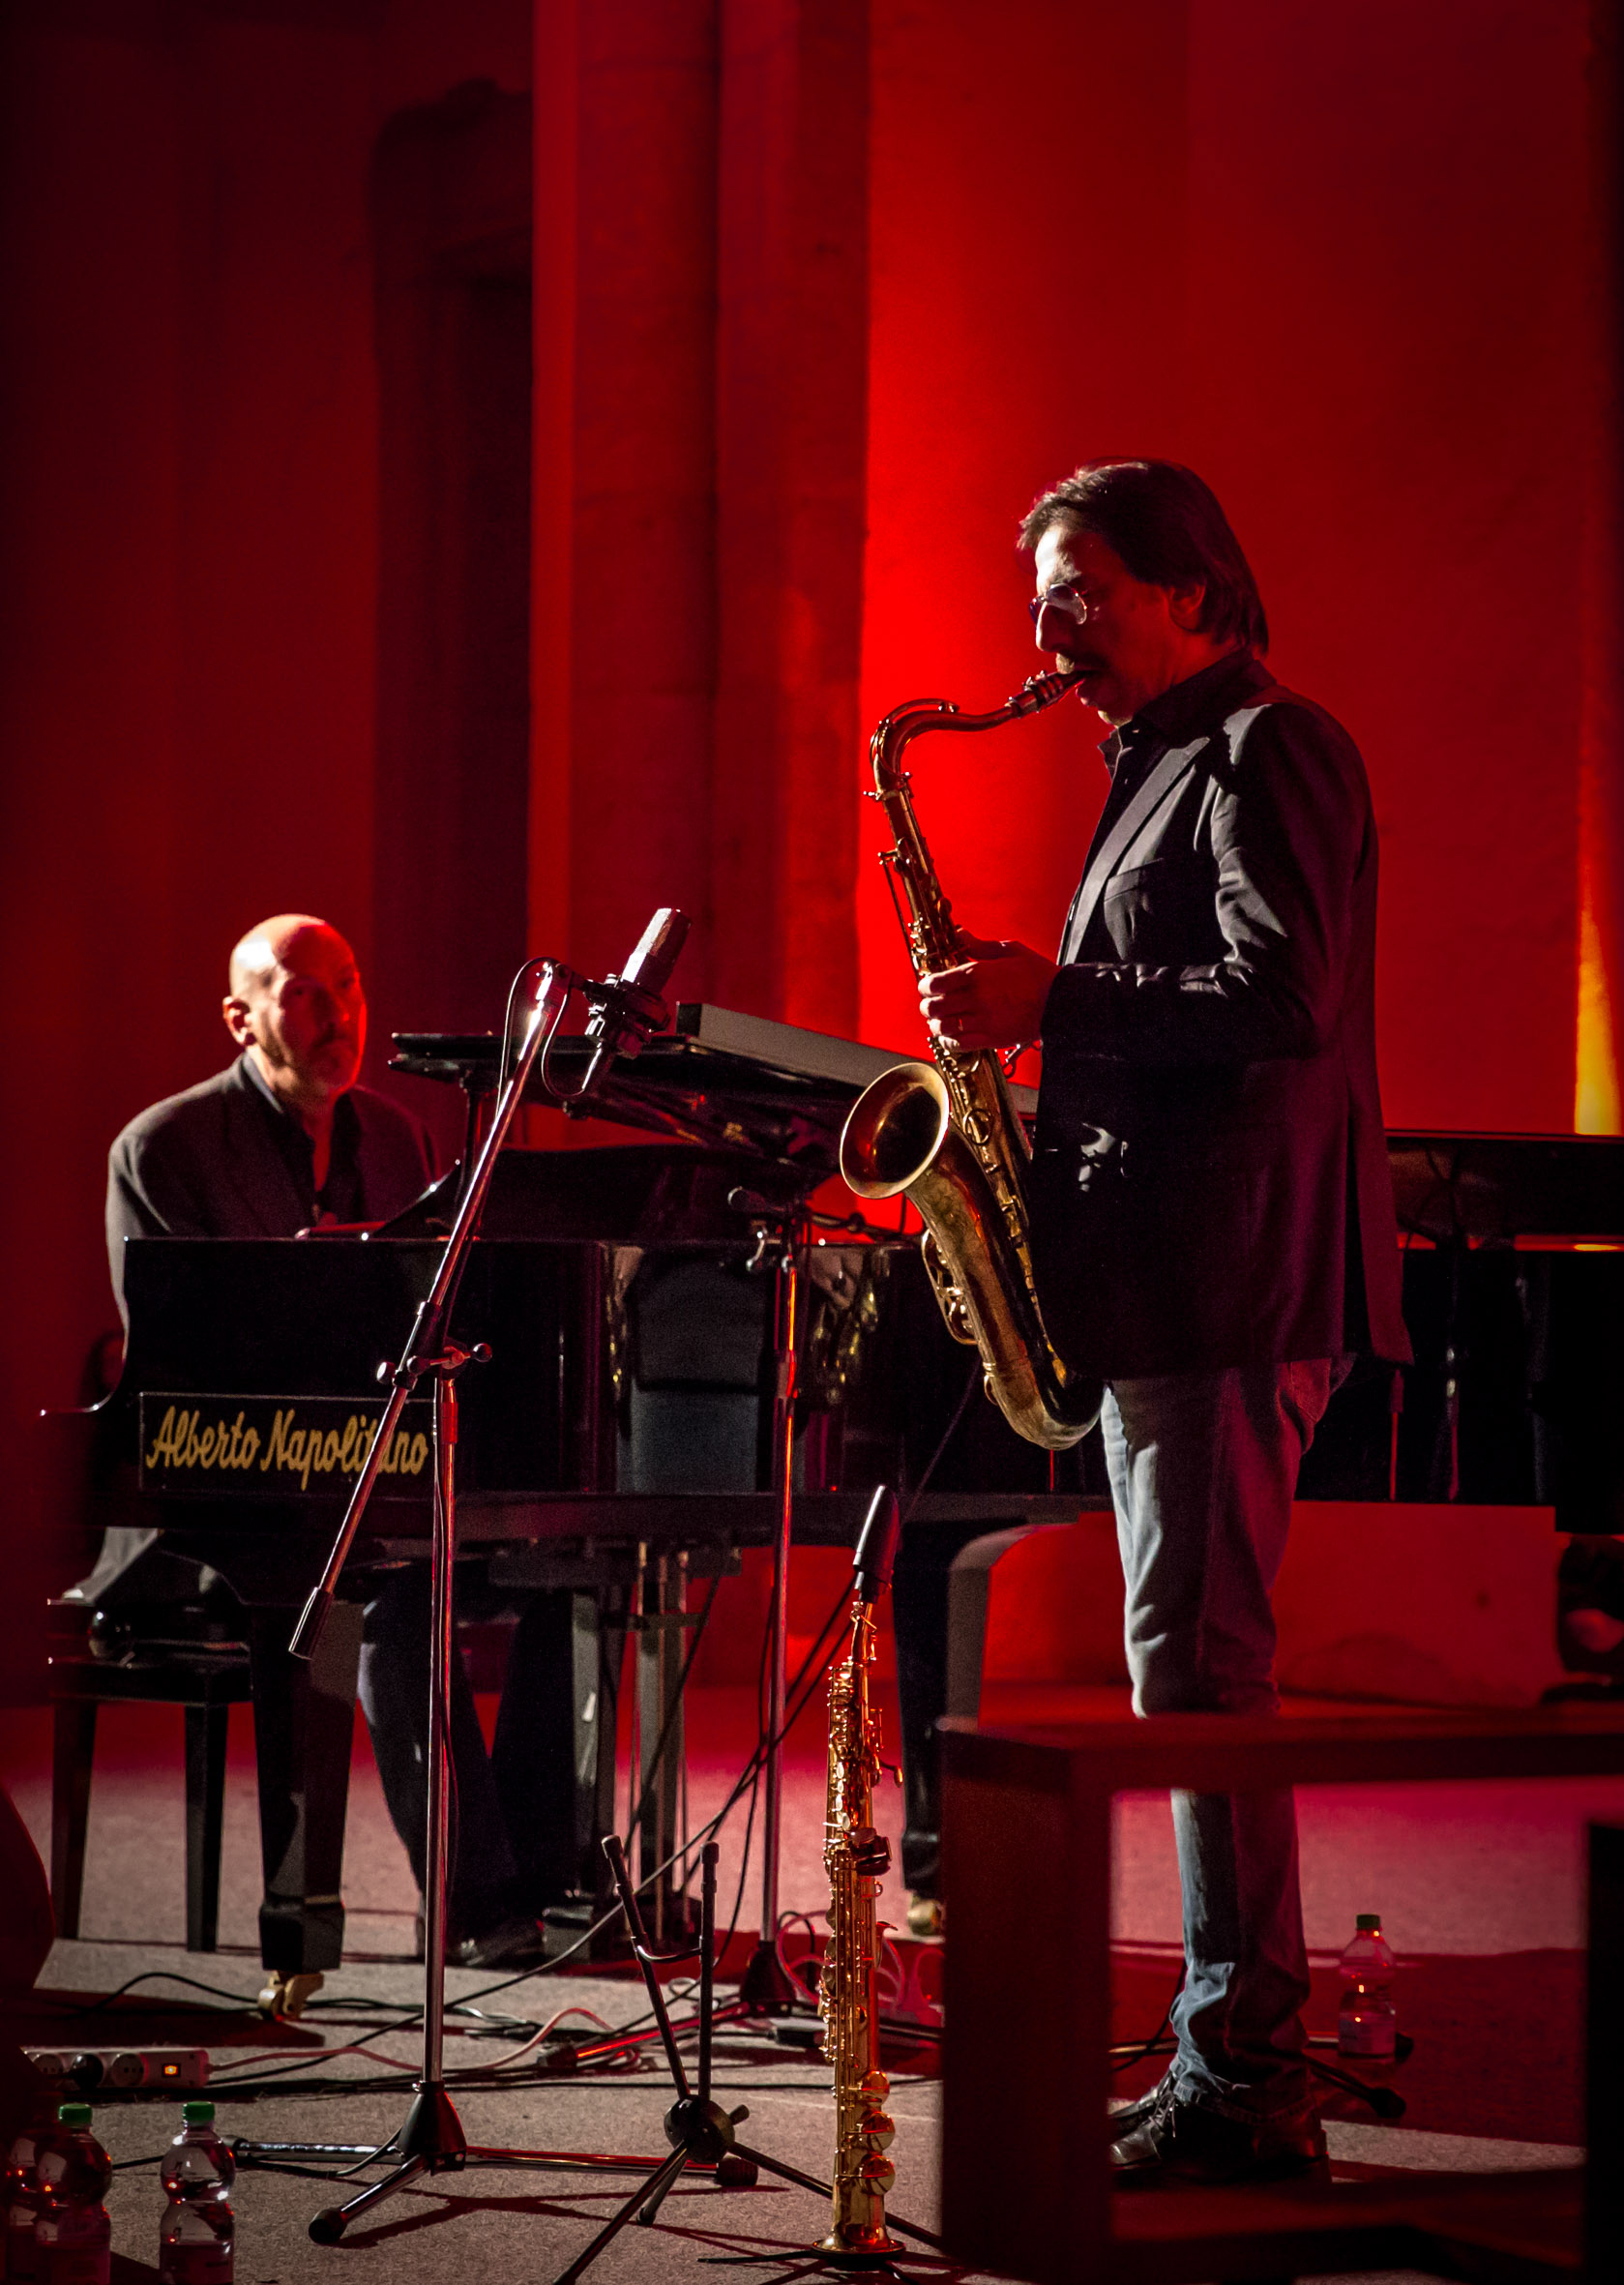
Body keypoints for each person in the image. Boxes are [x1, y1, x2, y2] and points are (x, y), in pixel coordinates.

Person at [920, 461, 1409, 2188]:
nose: (1044, 629)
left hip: (1227, 1278)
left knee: (1200, 1672)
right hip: (1166, 1281)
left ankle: (1244, 2081)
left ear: (1191, 588)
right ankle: (1229, 2055)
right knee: (1182, 1668)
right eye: (1038, 596)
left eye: (1079, 591)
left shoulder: (1272, 746)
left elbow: (1286, 994)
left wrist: (1050, 995)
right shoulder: (1155, 762)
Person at [103, 914, 571, 1968]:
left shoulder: (399, 1138)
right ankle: (478, 1903)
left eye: (348, 985)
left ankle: (548, 1875)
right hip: (224, 1505)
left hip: (385, 1475)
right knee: (391, 1596)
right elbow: (179, 1367)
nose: (339, 1014)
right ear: (242, 1018)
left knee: (566, 1569)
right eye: (305, 992)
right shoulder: (163, 1148)